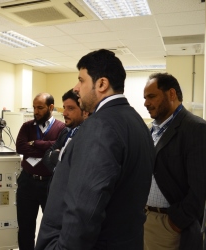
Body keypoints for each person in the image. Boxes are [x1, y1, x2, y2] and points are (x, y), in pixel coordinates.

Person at [35, 49, 155, 250]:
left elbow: (84, 209)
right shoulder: (136, 122)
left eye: (81, 80)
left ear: (101, 84)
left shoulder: (100, 126)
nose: (76, 88)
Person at [143, 73, 206, 250]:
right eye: (145, 98)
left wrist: (174, 223)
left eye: (152, 96)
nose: (146, 103)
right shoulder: (151, 130)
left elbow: (199, 189)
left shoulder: (196, 128)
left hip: (169, 226)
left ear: (171, 94)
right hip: (145, 219)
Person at [16, 93, 65, 250]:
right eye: (34, 107)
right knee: (25, 227)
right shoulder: (27, 126)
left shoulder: (61, 128)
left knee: (51, 227)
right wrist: (47, 149)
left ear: (51, 108)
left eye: (40, 108)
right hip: (27, 182)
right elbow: (20, 147)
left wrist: (35, 143)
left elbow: (58, 149)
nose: (36, 111)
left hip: (49, 183)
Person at [42, 89, 89, 173]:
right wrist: (57, 170)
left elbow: (76, 165)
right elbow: (47, 154)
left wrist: (56, 156)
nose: (64, 113)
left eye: (70, 108)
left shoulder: (88, 135)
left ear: (84, 111)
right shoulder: (65, 131)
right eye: (64, 108)